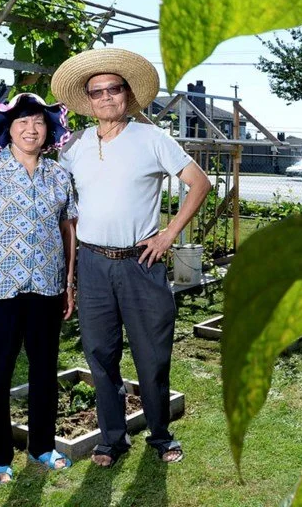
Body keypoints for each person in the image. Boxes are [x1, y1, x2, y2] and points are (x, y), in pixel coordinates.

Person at [52, 48, 212, 467]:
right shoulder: (74, 146)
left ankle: (160, 436)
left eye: (115, 89)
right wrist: (69, 274)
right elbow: (63, 206)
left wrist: (169, 234)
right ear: (88, 101)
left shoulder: (152, 138)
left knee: (152, 356)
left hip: (141, 262)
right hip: (92, 264)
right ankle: (111, 440)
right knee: (100, 356)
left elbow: (199, 183)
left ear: (127, 94)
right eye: (98, 91)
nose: (106, 97)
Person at [0, 92, 77, 485]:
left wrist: (68, 284)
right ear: (7, 129)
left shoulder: (60, 175)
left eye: (39, 122)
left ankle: (42, 446)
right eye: (22, 121)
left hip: (47, 289)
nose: (31, 128)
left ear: (49, 131)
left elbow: (68, 232)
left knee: (45, 372)